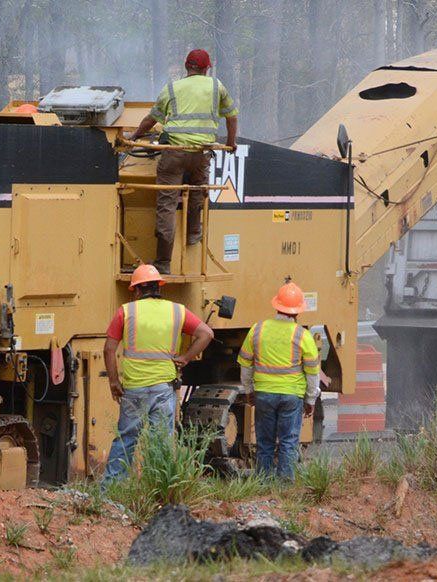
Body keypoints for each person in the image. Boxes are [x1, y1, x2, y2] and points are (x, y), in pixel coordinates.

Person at [129, 49, 239, 275]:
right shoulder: (216, 86)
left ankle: (163, 262)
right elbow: (232, 116)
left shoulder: (172, 88)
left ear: (186, 66)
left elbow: (151, 119)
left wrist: (134, 136)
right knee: (198, 191)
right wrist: (230, 143)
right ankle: (193, 234)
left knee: (167, 205)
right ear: (206, 68)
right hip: (201, 154)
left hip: (174, 153)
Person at [102, 263, 214, 482]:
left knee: (126, 439)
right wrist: (185, 358)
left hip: (134, 388)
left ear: (136, 290)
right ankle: (158, 488)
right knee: (161, 441)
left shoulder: (126, 311)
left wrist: (114, 382)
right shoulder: (177, 311)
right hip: (164, 388)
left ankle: (110, 489)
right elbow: (207, 334)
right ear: (159, 287)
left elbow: (109, 349)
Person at [237, 282, 321, 479]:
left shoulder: (257, 330)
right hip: (291, 396)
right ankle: (285, 485)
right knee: (288, 442)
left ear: (276, 306)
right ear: (298, 311)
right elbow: (312, 373)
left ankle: (264, 483)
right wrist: (310, 399)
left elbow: (245, 364)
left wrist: (249, 391)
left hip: (264, 395)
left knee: (264, 442)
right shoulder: (303, 335)